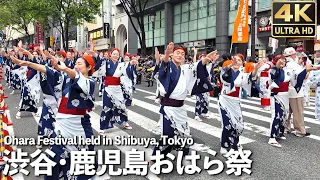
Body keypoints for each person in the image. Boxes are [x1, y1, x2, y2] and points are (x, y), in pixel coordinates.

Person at [10, 53, 97, 179]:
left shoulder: (89, 82)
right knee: (52, 159)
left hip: (78, 127)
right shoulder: (66, 79)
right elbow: (48, 70)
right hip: (61, 126)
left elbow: (76, 76)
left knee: (80, 162)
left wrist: (65, 68)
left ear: (89, 68)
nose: (76, 66)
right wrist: (28, 64)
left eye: (80, 64)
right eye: (76, 63)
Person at [150, 42, 219, 166]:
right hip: (168, 108)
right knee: (168, 135)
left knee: (184, 134)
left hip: (180, 108)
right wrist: (166, 54)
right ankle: (156, 157)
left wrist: (206, 59)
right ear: (171, 55)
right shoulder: (168, 65)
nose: (180, 55)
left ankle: (184, 156)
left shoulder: (186, 68)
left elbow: (197, 66)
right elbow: (163, 64)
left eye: (182, 54)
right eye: (177, 53)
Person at [268, 54, 318, 147]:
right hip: (277, 96)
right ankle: (272, 137)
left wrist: (307, 70)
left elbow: (297, 77)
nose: (282, 61)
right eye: (280, 60)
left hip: (285, 95)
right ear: (276, 61)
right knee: (276, 115)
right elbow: (273, 77)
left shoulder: (287, 71)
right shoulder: (273, 69)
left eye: (283, 60)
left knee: (284, 114)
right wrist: (278, 66)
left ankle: (280, 132)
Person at [218, 54, 264, 156]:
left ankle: (234, 144)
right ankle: (224, 145)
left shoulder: (242, 74)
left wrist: (256, 68)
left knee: (237, 125)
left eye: (239, 60)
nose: (236, 62)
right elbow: (222, 76)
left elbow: (250, 77)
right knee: (227, 124)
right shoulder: (227, 70)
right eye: (234, 59)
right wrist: (230, 65)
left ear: (242, 63)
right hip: (225, 100)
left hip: (235, 101)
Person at [93, 48, 138, 136]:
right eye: (114, 54)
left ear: (119, 55)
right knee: (106, 107)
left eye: (117, 54)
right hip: (108, 88)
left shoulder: (121, 64)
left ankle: (124, 122)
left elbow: (128, 68)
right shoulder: (106, 62)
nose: (115, 55)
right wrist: (95, 55)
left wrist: (132, 63)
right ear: (111, 55)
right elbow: (99, 61)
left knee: (121, 106)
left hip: (117, 88)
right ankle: (102, 127)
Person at [284, 47, 310, 137]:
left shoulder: (285, 64)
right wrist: (308, 68)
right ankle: (300, 131)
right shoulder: (294, 65)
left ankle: (285, 128)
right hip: (296, 91)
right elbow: (304, 76)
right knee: (298, 112)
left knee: (287, 111)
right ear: (292, 55)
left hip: (286, 91)